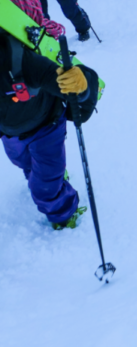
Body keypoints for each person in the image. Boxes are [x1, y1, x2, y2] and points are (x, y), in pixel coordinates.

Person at [0, 26, 99, 230]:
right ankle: (49, 178)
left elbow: (69, 85)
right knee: (25, 164)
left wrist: (82, 86)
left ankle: (63, 214)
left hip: (47, 126)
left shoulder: (17, 58)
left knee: (44, 187)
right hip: (10, 133)